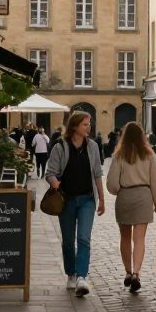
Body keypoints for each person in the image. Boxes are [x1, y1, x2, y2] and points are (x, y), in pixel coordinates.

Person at [45, 110, 106, 298]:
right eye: (85, 124)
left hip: (87, 199)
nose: (89, 127)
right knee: (68, 241)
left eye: (89, 124)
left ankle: (81, 277)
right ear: (74, 126)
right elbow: (50, 172)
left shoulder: (93, 146)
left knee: (84, 239)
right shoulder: (60, 147)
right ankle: (71, 273)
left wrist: (102, 199)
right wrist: (55, 183)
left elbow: (97, 173)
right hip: (67, 200)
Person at [106, 122, 156, 294]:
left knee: (124, 237)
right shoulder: (149, 155)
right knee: (139, 239)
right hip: (143, 196)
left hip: (125, 196)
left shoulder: (119, 156)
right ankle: (137, 273)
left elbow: (111, 184)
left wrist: (119, 191)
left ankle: (128, 272)